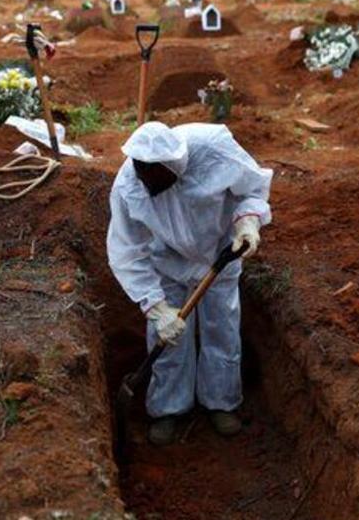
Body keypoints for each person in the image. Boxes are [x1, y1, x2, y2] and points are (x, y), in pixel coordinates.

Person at [107, 121, 272, 446]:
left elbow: (252, 189)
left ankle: (221, 403)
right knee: (167, 338)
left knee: (221, 330)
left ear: (173, 166)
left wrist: (248, 222)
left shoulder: (213, 150)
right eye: (140, 173)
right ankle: (169, 409)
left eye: (154, 178)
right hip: (166, 264)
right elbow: (127, 252)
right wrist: (155, 307)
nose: (147, 185)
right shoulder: (129, 186)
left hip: (219, 256)